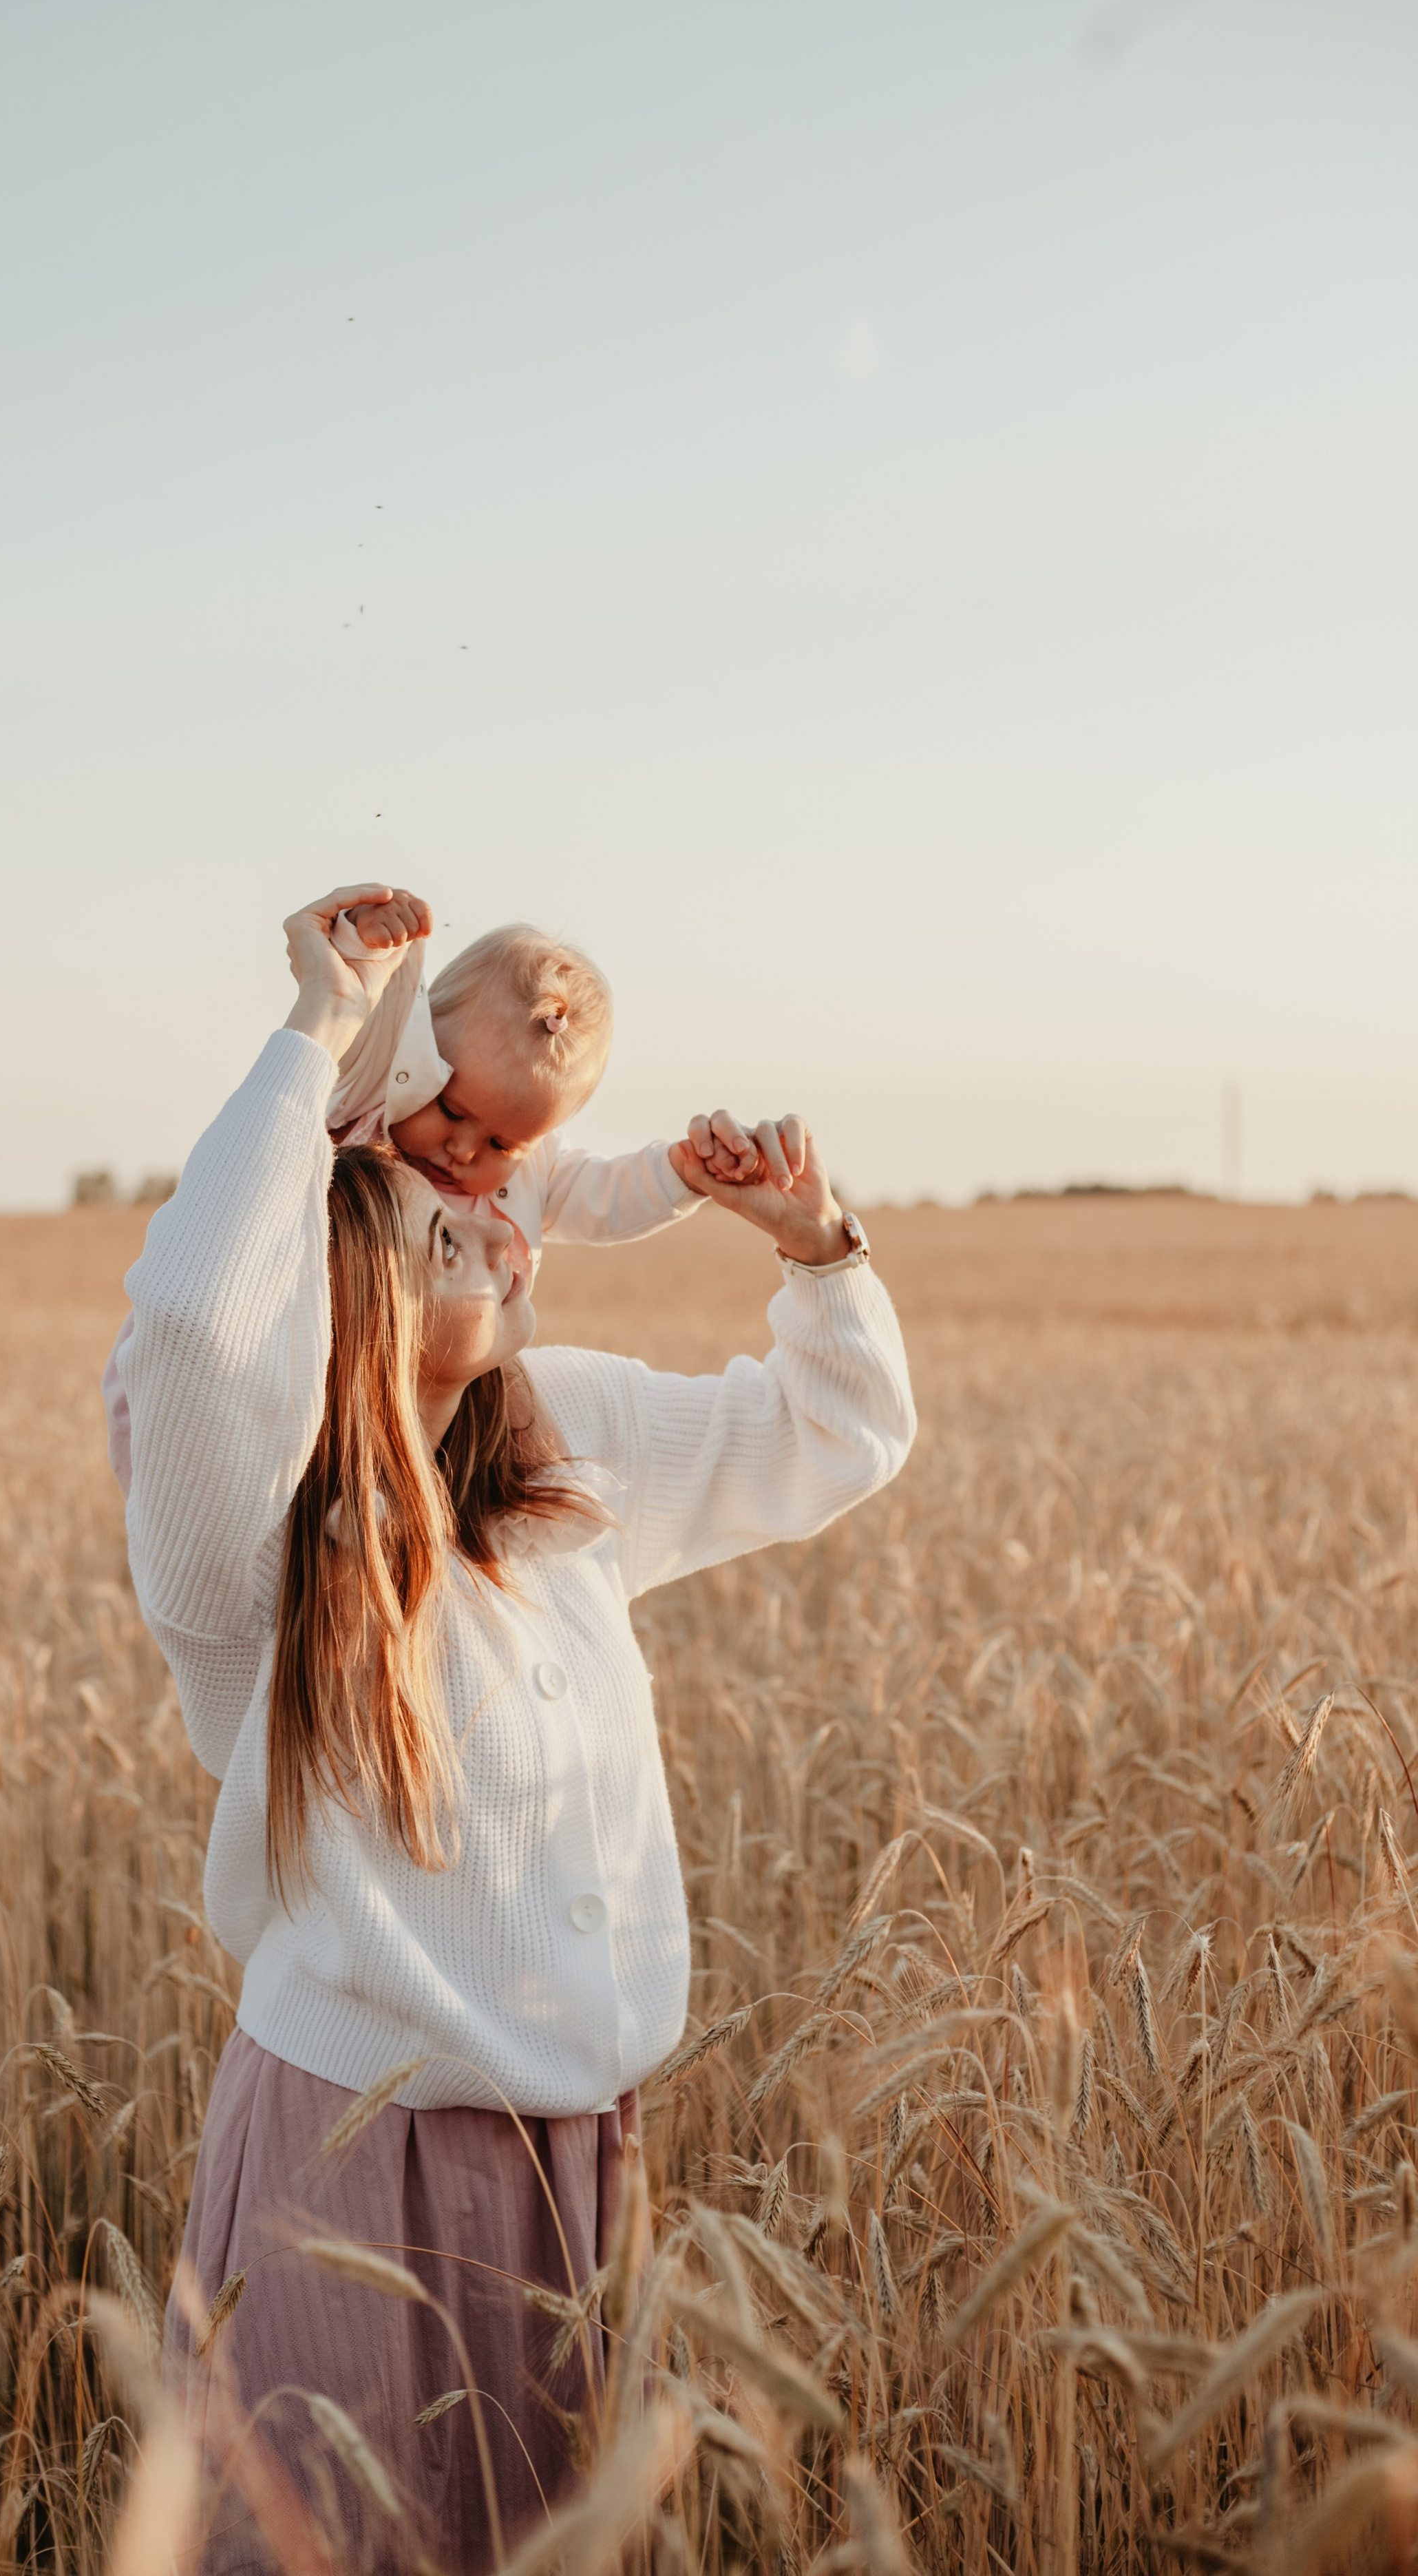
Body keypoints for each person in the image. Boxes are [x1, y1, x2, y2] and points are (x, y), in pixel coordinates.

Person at [123, 883, 917, 2571]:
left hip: (584, 2161)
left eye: (500, 1208)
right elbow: (199, 1319)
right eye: (445, 1224)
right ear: (348, 1301)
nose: (505, 1224)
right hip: (358, 2159)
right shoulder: (262, 1543)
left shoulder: (570, 1451)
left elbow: (831, 1431)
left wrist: (811, 1241)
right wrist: (323, 1023)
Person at [100, 887, 780, 1491]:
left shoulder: (532, 1173)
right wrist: (364, 947)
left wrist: (682, 1175)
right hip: (273, 1390)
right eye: (452, 1109)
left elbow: (606, 1196)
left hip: (411, 1416)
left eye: (501, 1143)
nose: (463, 1150)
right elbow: (356, 1015)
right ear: (418, 1055)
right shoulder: (368, 1112)